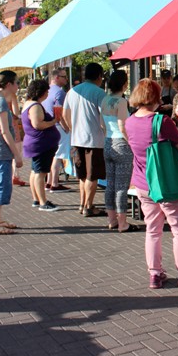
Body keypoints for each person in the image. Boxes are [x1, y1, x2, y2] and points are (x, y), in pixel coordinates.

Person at [125, 78, 178, 289]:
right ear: (156, 97)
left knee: (152, 229)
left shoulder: (130, 121)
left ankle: (155, 273)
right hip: (166, 183)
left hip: (142, 183)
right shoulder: (161, 122)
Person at [63, 63, 107, 216]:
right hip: (93, 140)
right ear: (99, 76)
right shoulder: (100, 93)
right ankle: (89, 206)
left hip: (75, 139)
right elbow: (104, 118)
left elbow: (64, 114)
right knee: (92, 176)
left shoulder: (72, 91)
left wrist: (72, 128)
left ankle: (82, 204)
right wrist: (106, 132)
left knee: (81, 175)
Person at [0, 70, 23, 235]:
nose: (18, 86)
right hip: (0, 150)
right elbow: (5, 131)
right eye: (16, 83)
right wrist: (17, 154)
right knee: (0, 185)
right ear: (9, 84)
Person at [102, 70, 138, 232]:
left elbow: (102, 125)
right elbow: (123, 125)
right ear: (124, 84)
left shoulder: (105, 99)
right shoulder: (121, 102)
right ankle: (123, 222)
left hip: (108, 142)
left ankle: (112, 220)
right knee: (122, 185)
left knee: (110, 183)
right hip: (121, 144)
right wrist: (131, 142)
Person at [21, 79, 61, 212]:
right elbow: (37, 124)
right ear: (41, 92)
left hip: (37, 143)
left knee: (35, 171)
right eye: (47, 91)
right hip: (41, 144)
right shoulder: (35, 106)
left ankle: (37, 199)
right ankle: (43, 202)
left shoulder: (29, 104)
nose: (48, 93)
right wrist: (53, 121)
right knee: (40, 173)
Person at [42, 68, 71, 192]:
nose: (66, 79)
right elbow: (59, 113)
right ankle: (54, 182)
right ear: (56, 78)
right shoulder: (60, 92)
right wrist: (67, 128)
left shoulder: (46, 91)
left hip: (48, 126)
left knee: (53, 154)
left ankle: (49, 182)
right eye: (64, 77)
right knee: (58, 155)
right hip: (58, 126)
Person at [7, 86, 28, 187]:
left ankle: (12, 175)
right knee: (16, 150)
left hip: (1, 128)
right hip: (12, 127)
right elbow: (15, 113)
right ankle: (15, 175)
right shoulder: (11, 96)